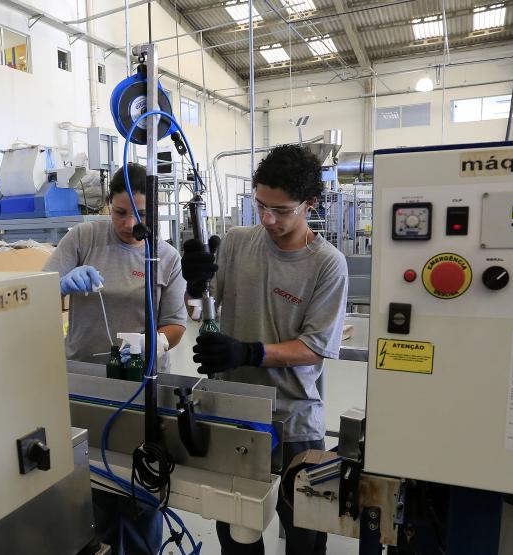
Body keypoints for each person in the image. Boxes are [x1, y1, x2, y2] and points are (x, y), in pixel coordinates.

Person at [181, 144, 349, 555]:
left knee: (306, 538)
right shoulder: (239, 241)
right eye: (261, 206)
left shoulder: (327, 263)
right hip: (234, 416)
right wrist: (192, 281)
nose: (267, 219)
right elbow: (199, 307)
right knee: (237, 538)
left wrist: (248, 353)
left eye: (281, 210)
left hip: (294, 422)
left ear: (310, 203)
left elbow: (315, 348)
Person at [42, 163, 188, 554]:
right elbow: (36, 292)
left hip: (143, 386)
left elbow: (176, 324)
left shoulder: (166, 257)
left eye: (139, 215)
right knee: (95, 489)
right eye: (121, 212)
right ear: (108, 204)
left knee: (142, 492)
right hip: (85, 382)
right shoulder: (84, 237)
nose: (128, 224)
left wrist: (151, 345)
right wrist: (59, 284)